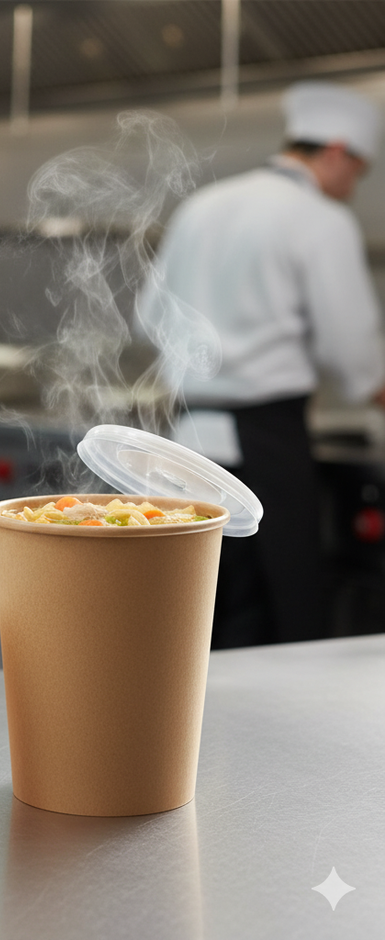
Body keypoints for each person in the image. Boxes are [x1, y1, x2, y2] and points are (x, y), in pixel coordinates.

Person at [137, 81, 385, 648]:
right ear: (337, 150)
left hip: (184, 443)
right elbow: (353, 353)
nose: (352, 187)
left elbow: (148, 315)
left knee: (193, 613)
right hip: (265, 445)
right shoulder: (319, 219)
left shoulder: (204, 205)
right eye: (358, 171)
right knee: (278, 616)